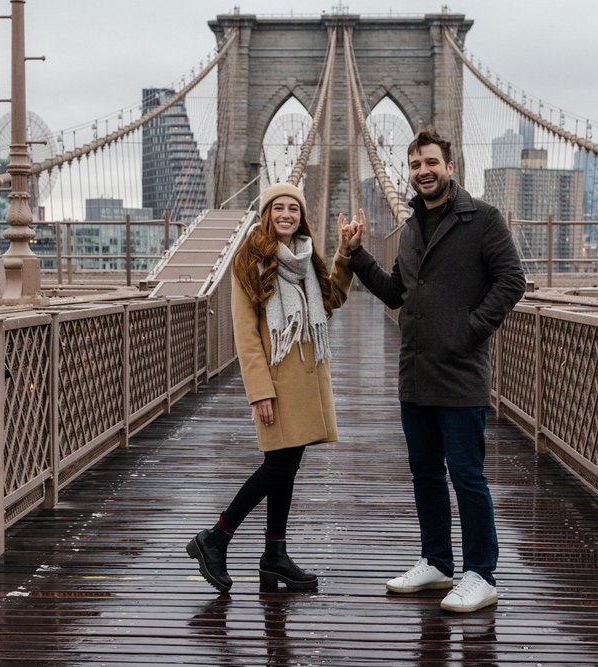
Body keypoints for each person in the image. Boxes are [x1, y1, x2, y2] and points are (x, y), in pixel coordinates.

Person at [339, 128, 526, 613]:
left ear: (450, 167)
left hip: (461, 372)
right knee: (425, 472)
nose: (423, 171)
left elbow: (512, 280)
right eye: (415, 164)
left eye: (431, 163)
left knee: (467, 475)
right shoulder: (411, 227)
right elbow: (398, 292)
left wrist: (471, 330)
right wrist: (356, 255)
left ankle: (481, 574)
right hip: (415, 372)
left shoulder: (482, 219)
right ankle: (437, 562)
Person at [186, 182, 354, 593]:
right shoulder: (250, 259)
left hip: (307, 378)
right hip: (277, 382)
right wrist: (259, 390)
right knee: (277, 467)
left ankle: (274, 557)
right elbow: (246, 333)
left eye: (293, 208)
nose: (285, 214)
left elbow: (330, 300)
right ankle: (215, 537)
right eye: (278, 207)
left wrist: (345, 254)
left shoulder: (305, 256)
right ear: (266, 214)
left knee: (287, 469)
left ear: (301, 216)